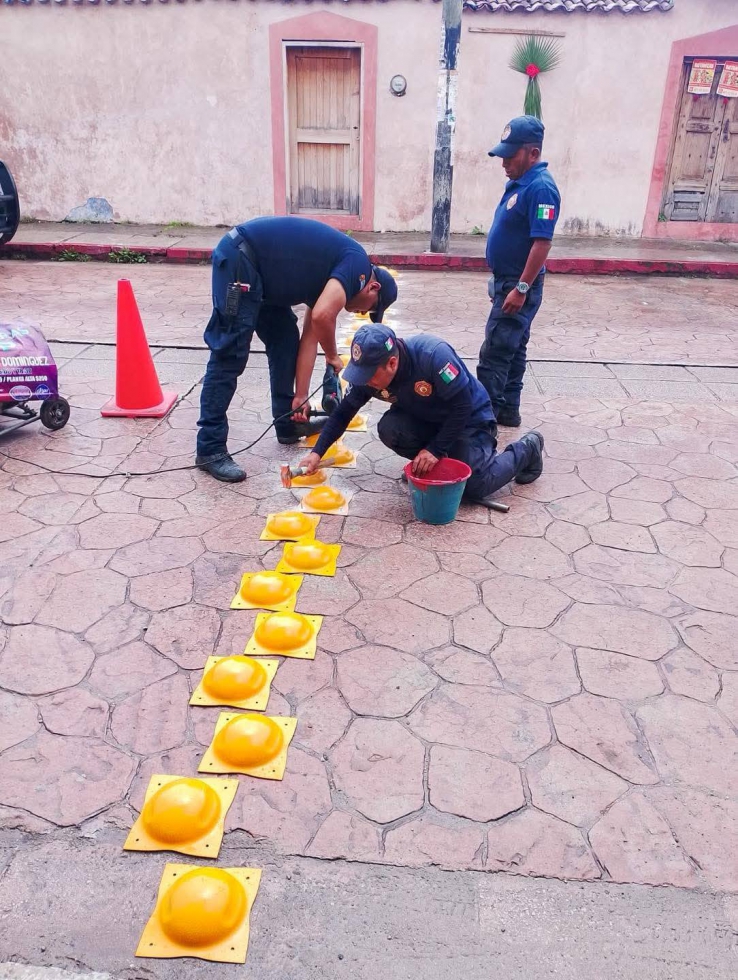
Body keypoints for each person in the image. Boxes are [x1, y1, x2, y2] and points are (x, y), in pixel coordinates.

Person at [196, 216, 398, 482]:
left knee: (285, 342)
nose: (360, 312)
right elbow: (324, 317)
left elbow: (309, 339)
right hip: (241, 261)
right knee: (229, 354)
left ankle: (287, 422)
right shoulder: (356, 265)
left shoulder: (333, 279)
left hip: (264, 279)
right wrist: (333, 357)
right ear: (373, 286)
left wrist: (300, 396)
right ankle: (210, 449)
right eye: (369, 307)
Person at [299, 324, 544, 501]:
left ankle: (528, 449)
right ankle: (436, 463)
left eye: (370, 375)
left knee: (475, 486)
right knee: (390, 430)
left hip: (470, 420)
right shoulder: (372, 373)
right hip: (428, 419)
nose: (365, 381)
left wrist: (435, 450)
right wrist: (316, 453)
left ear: (392, 363)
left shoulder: (433, 357)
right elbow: (344, 412)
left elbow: (463, 406)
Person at [477, 115, 560, 427]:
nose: (504, 162)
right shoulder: (521, 183)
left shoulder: (541, 188)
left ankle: (480, 424)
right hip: (508, 282)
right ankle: (508, 411)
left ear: (533, 154)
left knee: (495, 355)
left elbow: (542, 243)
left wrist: (521, 288)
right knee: (513, 349)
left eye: (511, 156)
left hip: (518, 285)